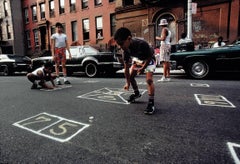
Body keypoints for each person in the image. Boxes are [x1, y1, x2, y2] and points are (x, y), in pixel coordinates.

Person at [114, 27, 156, 115]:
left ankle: (151, 103)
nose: (121, 47)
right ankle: (136, 93)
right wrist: (127, 82)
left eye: (122, 44)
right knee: (131, 77)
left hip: (149, 58)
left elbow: (149, 57)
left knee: (149, 80)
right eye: (119, 45)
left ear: (129, 39)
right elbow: (126, 68)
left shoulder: (142, 44)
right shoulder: (125, 50)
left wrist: (143, 68)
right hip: (138, 59)